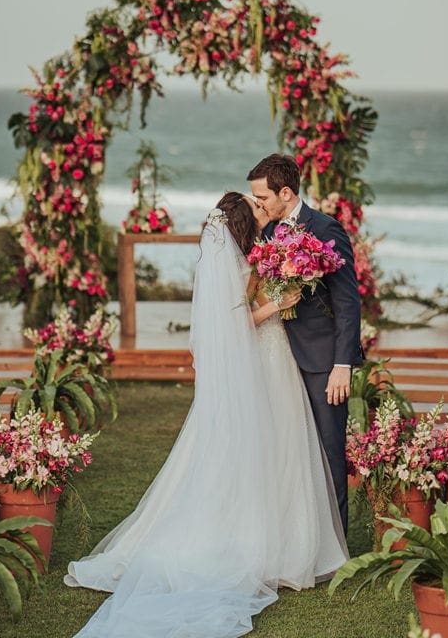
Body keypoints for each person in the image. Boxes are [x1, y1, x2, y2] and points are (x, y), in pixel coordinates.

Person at [64, 191, 347, 638]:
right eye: (255, 207)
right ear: (239, 222)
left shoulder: (252, 253)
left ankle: (291, 545)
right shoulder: (232, 263)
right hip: (262, 355)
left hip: (273, 359)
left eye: (263, 201)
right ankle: (266, 546)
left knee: (283, 445)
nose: (262, 210)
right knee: (261, 447)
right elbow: (235, 321)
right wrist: (280, 301)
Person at [247, 154, 364, 533]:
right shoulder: (266, 232)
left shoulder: (326, 230)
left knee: (329, 454)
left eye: (262, 197)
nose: (258, 204)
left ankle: (336, 546)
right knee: (289, 454)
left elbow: (348, 302)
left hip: (322, 364)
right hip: (279, 357)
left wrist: (342, 364)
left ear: (286, 191)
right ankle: (296, 537)